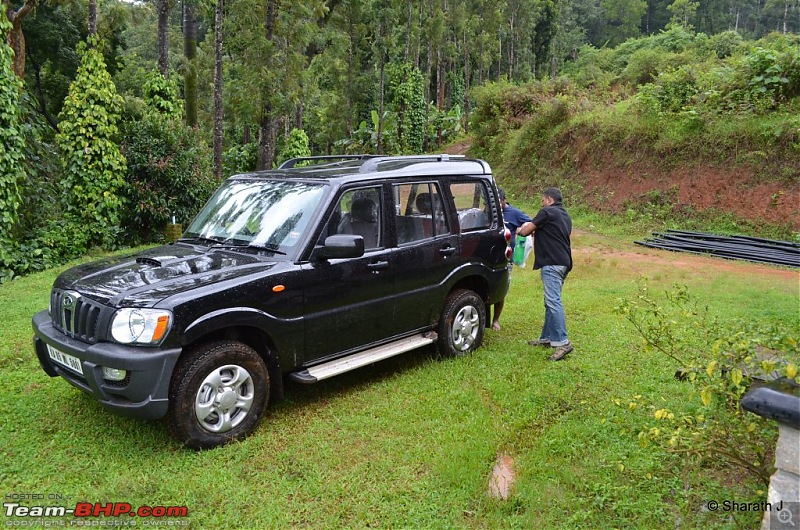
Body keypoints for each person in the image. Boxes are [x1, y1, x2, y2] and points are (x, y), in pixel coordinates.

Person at [517, 187, 573, 361]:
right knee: (550, 301)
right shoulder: (565, 216)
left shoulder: (547, 212)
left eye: (542, 200)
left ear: (549, 199)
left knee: (553, 301)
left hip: (552, 263)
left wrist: (521, 229)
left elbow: (526, 231)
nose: (541, 203)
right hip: (564, 262)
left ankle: (563, 342)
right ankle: (547, 338)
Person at [491, 188, 532, 331]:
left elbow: (531, 223)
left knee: (501, 288)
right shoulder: (490, 210)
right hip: (489, 256)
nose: (497, 204)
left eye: (499, 201)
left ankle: (495, 320)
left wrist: (521, 230)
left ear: (504, 199)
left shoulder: (514, 213)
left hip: (505, 258)